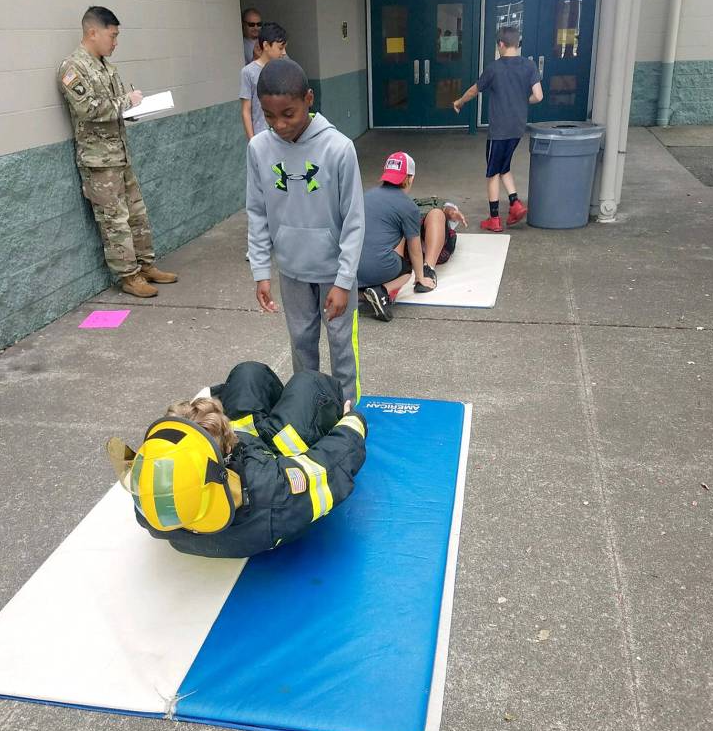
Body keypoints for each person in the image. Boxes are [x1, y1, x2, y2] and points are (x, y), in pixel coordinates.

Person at [115, 361, 367, 558]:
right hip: (273, 457)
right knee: (309, 381)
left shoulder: (155, 502)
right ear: (223, 457)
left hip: (246, 453)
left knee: (248, 372)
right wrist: (351, 422)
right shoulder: (272, 491)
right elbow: (329, 467)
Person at [246, 58, 365, 405]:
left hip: (333, 273)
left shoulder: (339, 149)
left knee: (342, 347)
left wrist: (344, 281)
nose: (279, 125)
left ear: (309, 99)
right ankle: (307, 408)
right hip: (292, 271)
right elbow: (256, 212)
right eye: (269, 115)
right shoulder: (258, 149)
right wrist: (260, 272)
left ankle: (348, 414)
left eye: (288, 113)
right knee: (301, 346)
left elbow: (354, 220)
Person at [57, 6, 177, 298]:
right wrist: (128, 101)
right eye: (112, 35)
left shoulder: (106, 67)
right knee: (115, 222)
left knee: (137, 214)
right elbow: (89, 109)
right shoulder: (73, 69)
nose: (115, 42)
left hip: (119, 155)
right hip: (99, 162)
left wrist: (134, 108)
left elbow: (115, 109)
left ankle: (146, 265)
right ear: (92, 32)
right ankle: (129, 276)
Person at [453, 25, 543, 232]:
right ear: (517, 43)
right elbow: (538, 96)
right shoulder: (529, 66)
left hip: (499, 130)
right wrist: (522, 101)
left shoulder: (494, 68)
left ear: (501, 44)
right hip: (518, 128)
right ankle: (515, 204)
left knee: (492, 172)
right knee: (504, 166)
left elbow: (474, 91)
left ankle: (494, 219)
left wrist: (459, 102)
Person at [358, 153, 467, 323]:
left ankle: (360, 294)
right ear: (410, 178)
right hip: (383, 266)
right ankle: (383, 291)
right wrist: (420, 276)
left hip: (352, 267)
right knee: (405, 271)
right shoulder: (408, 206)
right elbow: (415, 250)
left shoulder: (366, 197)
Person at [240, 21, 288, 140]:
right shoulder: (248, 72)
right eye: (280, 48)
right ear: (266, 46)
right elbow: (246, 110)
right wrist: (252, 140)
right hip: (261, 135)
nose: (284, 53)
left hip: (283, 134)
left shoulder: (285, 69)